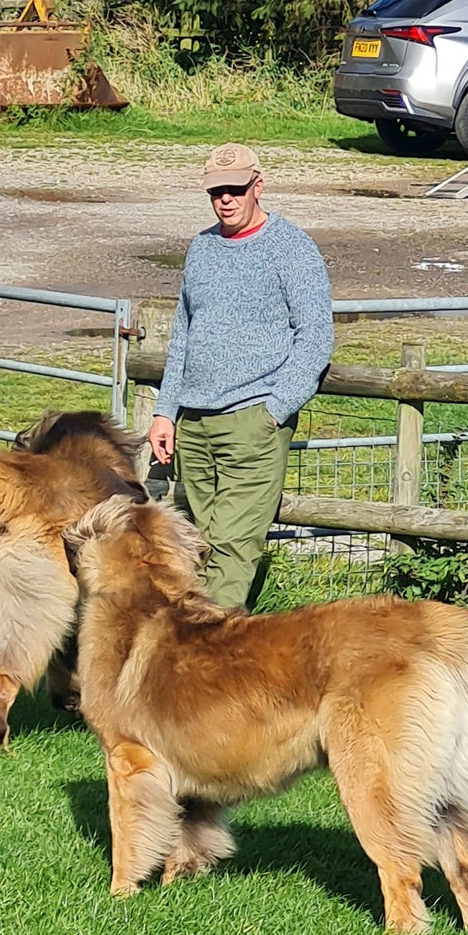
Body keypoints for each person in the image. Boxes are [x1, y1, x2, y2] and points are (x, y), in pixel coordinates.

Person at [148, 143, 334, 610]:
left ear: (258, 186)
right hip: (194, 424)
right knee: (200, 542)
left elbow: (316, 336)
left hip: (252, 422)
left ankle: (206, 660)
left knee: (232, 548)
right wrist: (166, 411)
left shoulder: (291, 247)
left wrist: (275, 409)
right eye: (216, 191)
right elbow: (183, 333)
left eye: (235, 189)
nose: (225, 200)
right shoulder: (202, 248)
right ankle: (209, 659)